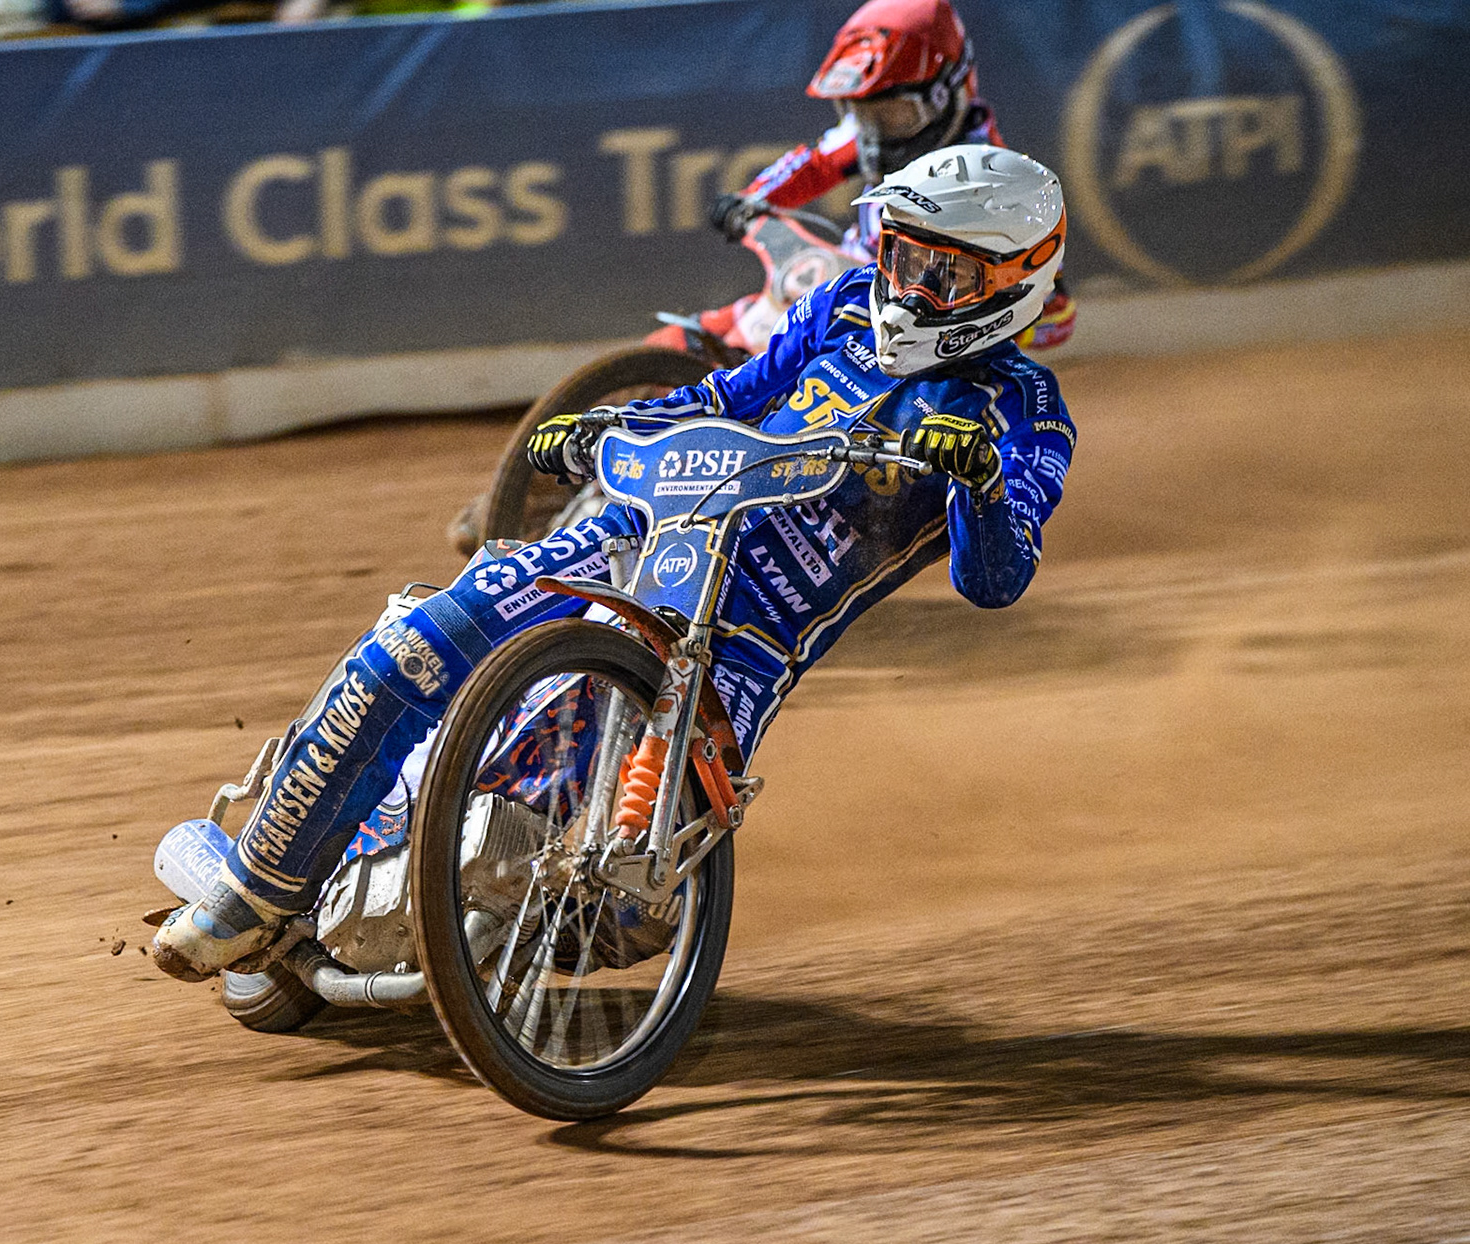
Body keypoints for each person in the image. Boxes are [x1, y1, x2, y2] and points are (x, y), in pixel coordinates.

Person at [153, 143, 1077, 980]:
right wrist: (605, 427)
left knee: (632, 910)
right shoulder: (841, 306)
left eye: (942, 272)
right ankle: (254, 889)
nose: (909, 288)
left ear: (1013, 283)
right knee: (418, 647)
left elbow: (997, 580)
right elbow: (728, 394)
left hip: (743, 644)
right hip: (640, 536)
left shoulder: (1024, 409)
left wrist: (982, 481)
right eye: (901, 256)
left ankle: (470, 928)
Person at [710, 0, 1075, 353]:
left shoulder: (991, 181)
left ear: (944, 94)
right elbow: (816, 164)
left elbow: (1057, 314)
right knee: (703, 334)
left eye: (893, 114)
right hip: (842, 284)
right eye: (863, 115)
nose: (875, 134)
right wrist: (752, 200)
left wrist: (988, 328)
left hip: (903, 331)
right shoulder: (878, 137)